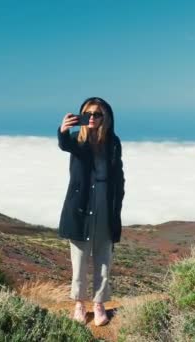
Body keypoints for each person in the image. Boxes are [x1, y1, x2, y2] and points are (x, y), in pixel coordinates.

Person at [57, 97, 125, 326]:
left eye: (98, 114)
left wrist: (118, 205)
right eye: (89, 114)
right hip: (80, 210)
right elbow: (65, 145)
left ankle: (98, 305)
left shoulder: (113, 143)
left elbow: (119, 176)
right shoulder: (78, 140)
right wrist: (63, 131)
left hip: (105, 209)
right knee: (79, 262)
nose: (93, 118)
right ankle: (79, 304)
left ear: (106, 118)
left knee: (103, 262)